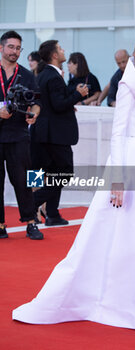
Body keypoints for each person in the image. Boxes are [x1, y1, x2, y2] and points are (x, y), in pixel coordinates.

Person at [13, 30, 135, 328]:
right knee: (134, 233)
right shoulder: (128, 85)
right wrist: (117, 179)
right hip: (133, 162)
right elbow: (118, 134)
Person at [31, 40, 88, 226]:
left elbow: (51, 104)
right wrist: (77, 95)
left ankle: (53, 214)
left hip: (46, 133)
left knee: (54, 173)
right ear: (55, 55)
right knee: (64, 173)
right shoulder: (53, 77)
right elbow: (58, 104)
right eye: (60, 49)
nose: (64, 51)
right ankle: (32, 203)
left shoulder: (44, 75)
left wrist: (69, 103)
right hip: (54, 134)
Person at [0, 31, 43, 240]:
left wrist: (33, 114)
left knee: (24, 180)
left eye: (18, 48)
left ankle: (31, 222)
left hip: (18, 134)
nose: (14, 52)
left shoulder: (26, 75)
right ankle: (0, 225)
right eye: (11, 47)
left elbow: (36, 102)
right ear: (1, 48)